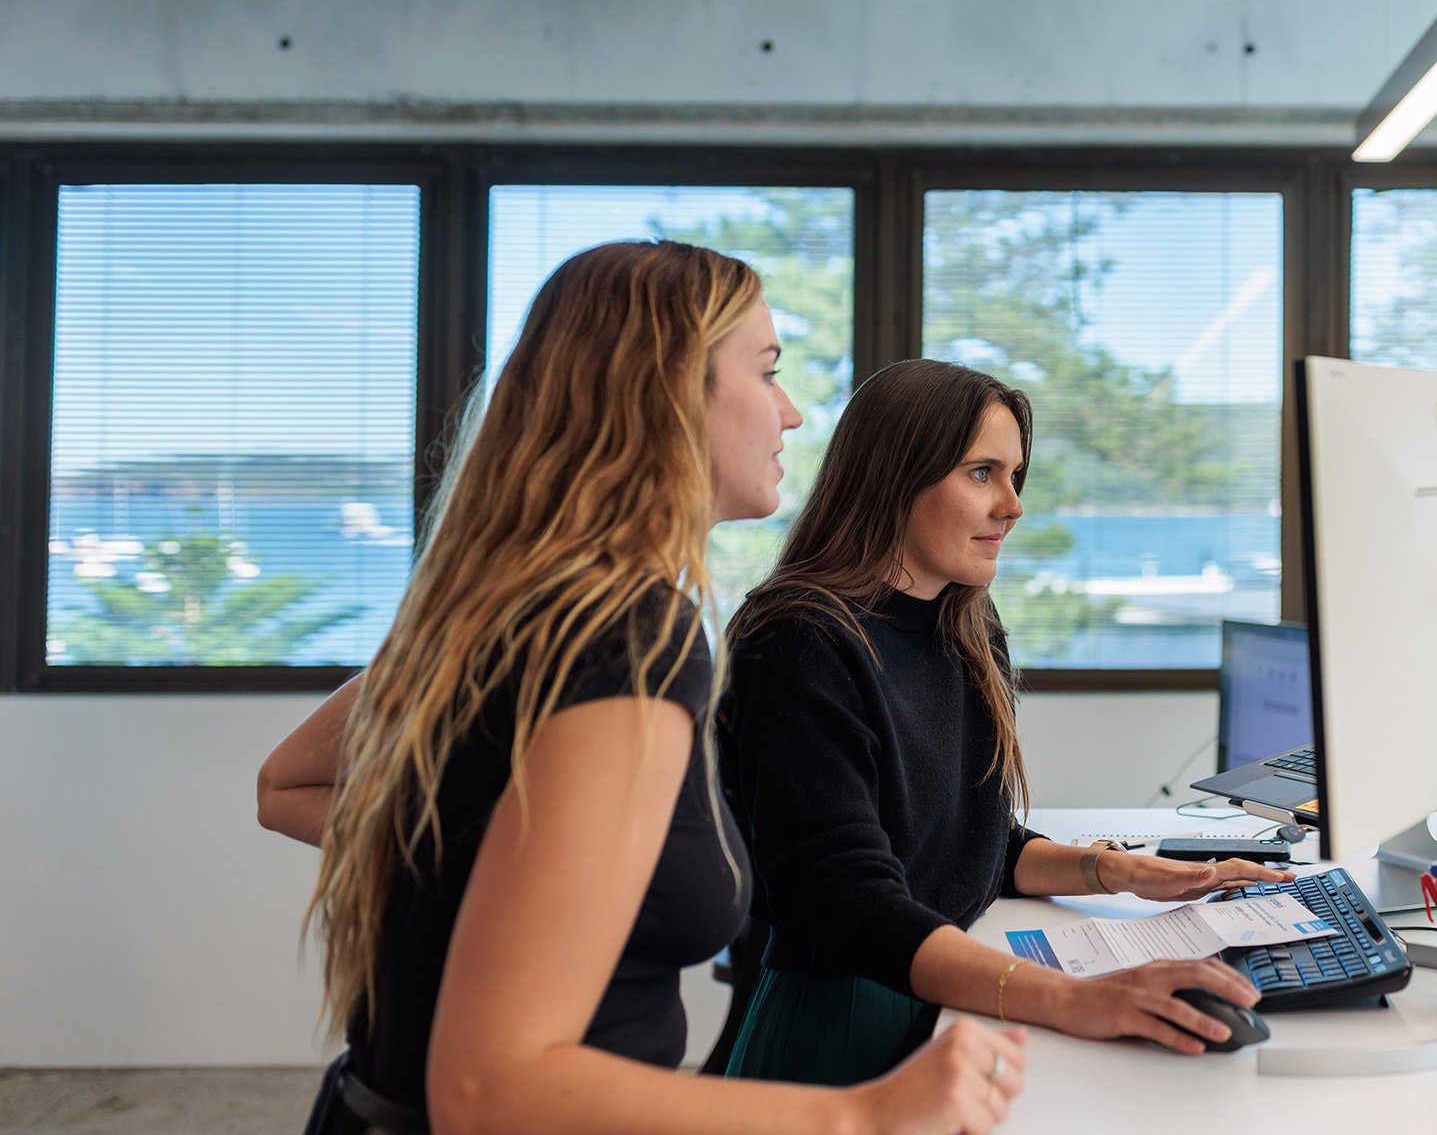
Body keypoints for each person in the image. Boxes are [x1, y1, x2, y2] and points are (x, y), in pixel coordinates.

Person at [257, 243, 1026, 1135]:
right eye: (767, 373)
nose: (791, 412)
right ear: (668, 391)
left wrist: (499, 878)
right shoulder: (629, 639)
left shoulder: (512, 602)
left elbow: (289, 784)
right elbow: (489, 1088)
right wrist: (866, 1112)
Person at [719, 358, 1294, 1087]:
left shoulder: (964, 621)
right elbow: (847, 900)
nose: (1014, 504)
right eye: (983, 472)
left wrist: (1115, 869)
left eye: (1016, 474)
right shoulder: (800, 642)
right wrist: (1072, 997)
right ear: (895, 477)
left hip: (951, 986)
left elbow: (967, 845)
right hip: (846, 1017)